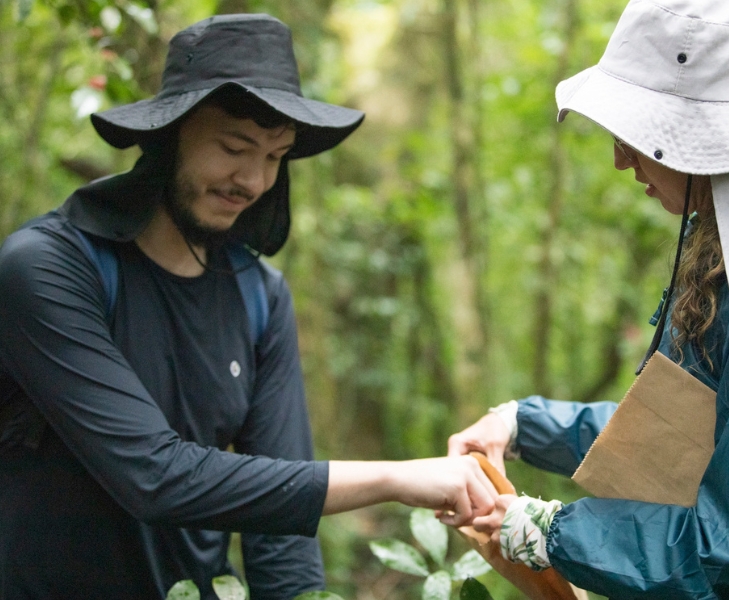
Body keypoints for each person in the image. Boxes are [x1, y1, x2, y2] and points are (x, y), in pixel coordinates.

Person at [0, 14, 496, 600]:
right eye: (234, 148)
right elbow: (154, 477)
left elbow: (280, 542)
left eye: (275, 156)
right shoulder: (49, 268)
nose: (254, 180)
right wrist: (391, 477)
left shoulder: (259, 297)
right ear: (170, 136)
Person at [448, 0, 729, 598]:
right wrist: (524, 425)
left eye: (635, 135)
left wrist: (553, 532)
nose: (620, 157)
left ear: (704, 144)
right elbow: (682, 440)